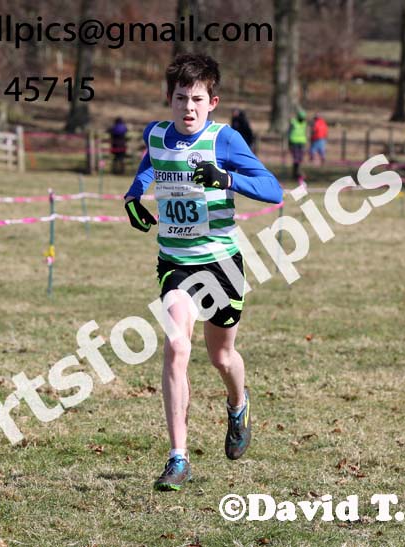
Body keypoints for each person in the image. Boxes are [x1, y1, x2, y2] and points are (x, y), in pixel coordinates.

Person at [122, 53, 282, 492]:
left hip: (222, 264)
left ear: (213, 101)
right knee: (176, 346)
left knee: (221, 357)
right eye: (180, 98)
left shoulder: (224, 140)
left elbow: (274, 190)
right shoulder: (156, 135)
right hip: (175, 263)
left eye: (197, 99)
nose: (187, 108)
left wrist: (226, 180)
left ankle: (238, 403)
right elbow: (149, 168)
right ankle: (178, 457)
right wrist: (134, 196)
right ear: (169, 100)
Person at [288, 109, 307, 181]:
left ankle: (298, 173)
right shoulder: (293, 122)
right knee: (296, 159)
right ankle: (296, 173)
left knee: (300, 159)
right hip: (294, 142)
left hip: (301, 142)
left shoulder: (304, 123)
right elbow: (289, 132)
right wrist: (289, 142)